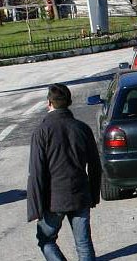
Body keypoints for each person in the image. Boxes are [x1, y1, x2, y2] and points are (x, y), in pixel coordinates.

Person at [27, 84, 101, 261]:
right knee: (83, 243)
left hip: (54, 200)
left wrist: (35, 207)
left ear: (49, 103)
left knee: (46, 239)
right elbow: (95, 165)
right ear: (69, 102)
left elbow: (36, 172)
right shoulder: (82, 128)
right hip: (80, 195)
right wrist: (93, 195)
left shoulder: (42, 131)